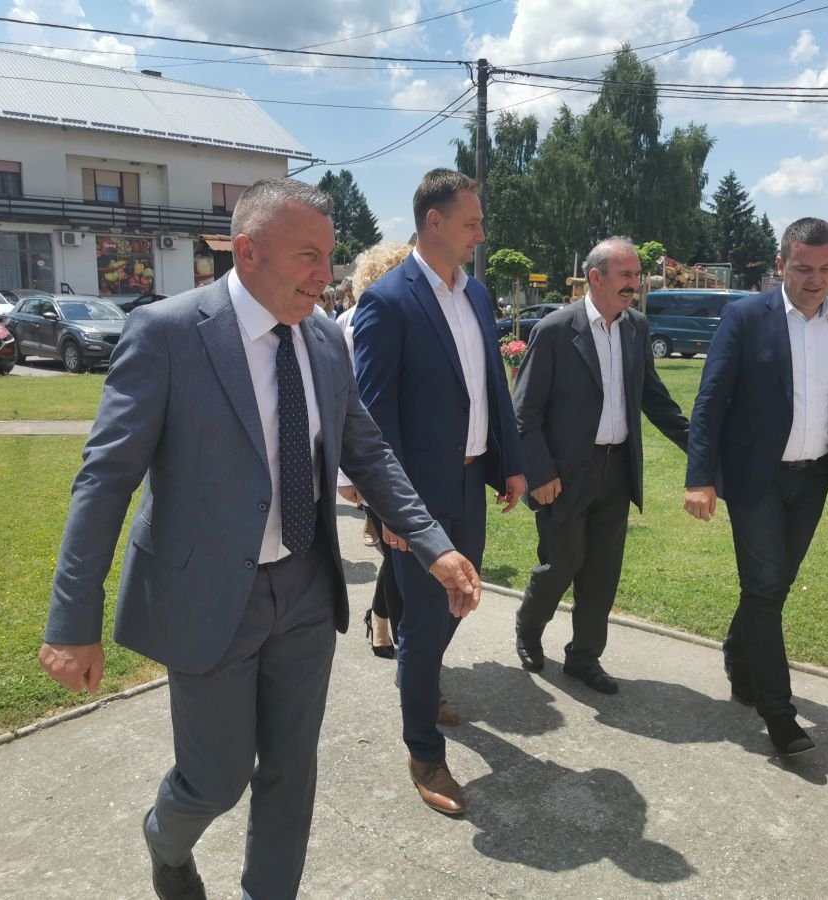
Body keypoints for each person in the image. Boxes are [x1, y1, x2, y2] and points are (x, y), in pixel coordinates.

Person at [38, 178, 483, 900]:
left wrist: (433, 543)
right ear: (247, 252)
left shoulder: (325, 340)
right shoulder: (168, 334)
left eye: (330, 256)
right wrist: (71, 621)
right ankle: (166, 839)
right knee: (215, 778)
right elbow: (105, 479)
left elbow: (367, 451)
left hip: (305, 588)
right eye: (308, 256)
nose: (325, 275)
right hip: (209, 593)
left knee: (290, 770)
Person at [353, 168, 525, 816]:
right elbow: (374, 420)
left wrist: (511, 462)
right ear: (434, 221)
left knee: (457, 603)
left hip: (471, 481)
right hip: (417, 498)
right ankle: (423, 752)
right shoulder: (387, 301)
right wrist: (391, 511)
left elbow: (492, 385)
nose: (481, 234)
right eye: (471, 222)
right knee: (426, 623)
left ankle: (419, 681)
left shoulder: (475, 294)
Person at [683, 216, 828, 757]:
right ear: (780, 265)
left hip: (814, 477)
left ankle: (738, 652)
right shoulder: (746, 317)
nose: (816, 280)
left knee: (773, 586)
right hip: (755, 478)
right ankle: (779, 713)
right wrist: (699, 478)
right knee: (766, 588)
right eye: (803, 269)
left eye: (827, 269)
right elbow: (710, 401)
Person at [511, 237, 690, 694]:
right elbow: (524, 412)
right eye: (626, 275)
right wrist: (540, 473)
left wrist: (698, 446)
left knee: (603, 571)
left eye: (637, 275)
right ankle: (528, 627)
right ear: (596, 277)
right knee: (561, 563)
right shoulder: (554, 330)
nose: (635, 284)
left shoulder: (636, 327)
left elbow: (654, 398)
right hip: (564, 475)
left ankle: (584, 657)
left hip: (617, 470)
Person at [336, 239, 415, 657]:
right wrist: (346, 475)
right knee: (397, 549)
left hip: (409, 455)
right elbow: (343, 403)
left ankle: (381, 619)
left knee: (400, 551)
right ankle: (397, 634)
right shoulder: (351, 324)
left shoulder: (414, 320)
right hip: (373, 459)